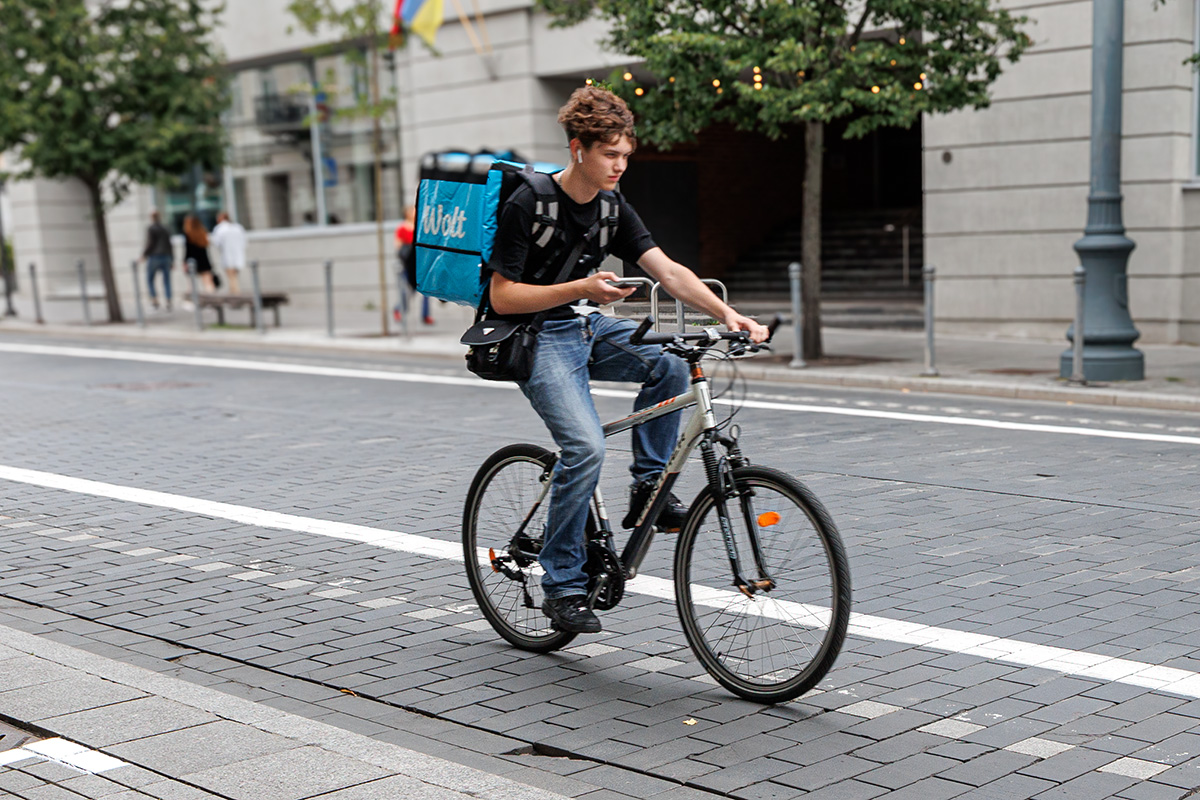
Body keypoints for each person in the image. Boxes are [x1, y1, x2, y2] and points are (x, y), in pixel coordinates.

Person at [487, 86, 768, 634]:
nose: (619, 166)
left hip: (584, 327)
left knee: (667, 362)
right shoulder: (531, 203)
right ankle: (562, 584)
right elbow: (502, 296)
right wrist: (580, 287)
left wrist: (728, 314)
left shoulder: (613, 207)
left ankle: (648, 492)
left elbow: (669, 271)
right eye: (609, 155)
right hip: (538, 337)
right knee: (585, 447)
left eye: (625, 155)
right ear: (578, 150)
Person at [395, 205, 433, 325]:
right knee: (408, 290)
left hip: (420, 262)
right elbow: (398, 246)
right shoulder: (402, 228)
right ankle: (399, 309)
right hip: (408, 263)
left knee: (425, 290)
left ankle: (425, 315)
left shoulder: (420, 227)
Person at [141, 211, 173, 311]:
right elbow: (169, 245)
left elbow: (150, 243)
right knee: (166, 280)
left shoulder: (152, 228)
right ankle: (168, 300)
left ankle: (155, 300)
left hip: (155, 256)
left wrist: (144, 255)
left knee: (150, 279)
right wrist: (172, 259)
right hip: (166, 256)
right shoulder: (165, 228)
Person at [211, 211, 247, 294]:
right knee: (234, 276)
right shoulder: (238, 227)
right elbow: (244, 241)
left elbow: (216, 242)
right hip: (237, 255)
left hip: (227, 255)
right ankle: (234, 291)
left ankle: (235, 292)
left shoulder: (220, 228)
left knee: (231, 276)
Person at [182, 214, 216, 292]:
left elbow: (188, 250)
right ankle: (212, 299)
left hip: (192, 260)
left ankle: (193, 300)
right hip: (204, 260)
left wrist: (184, 262)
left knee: (191, 283)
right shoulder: (203, 232)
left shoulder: (188, 234)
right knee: (208, 283)